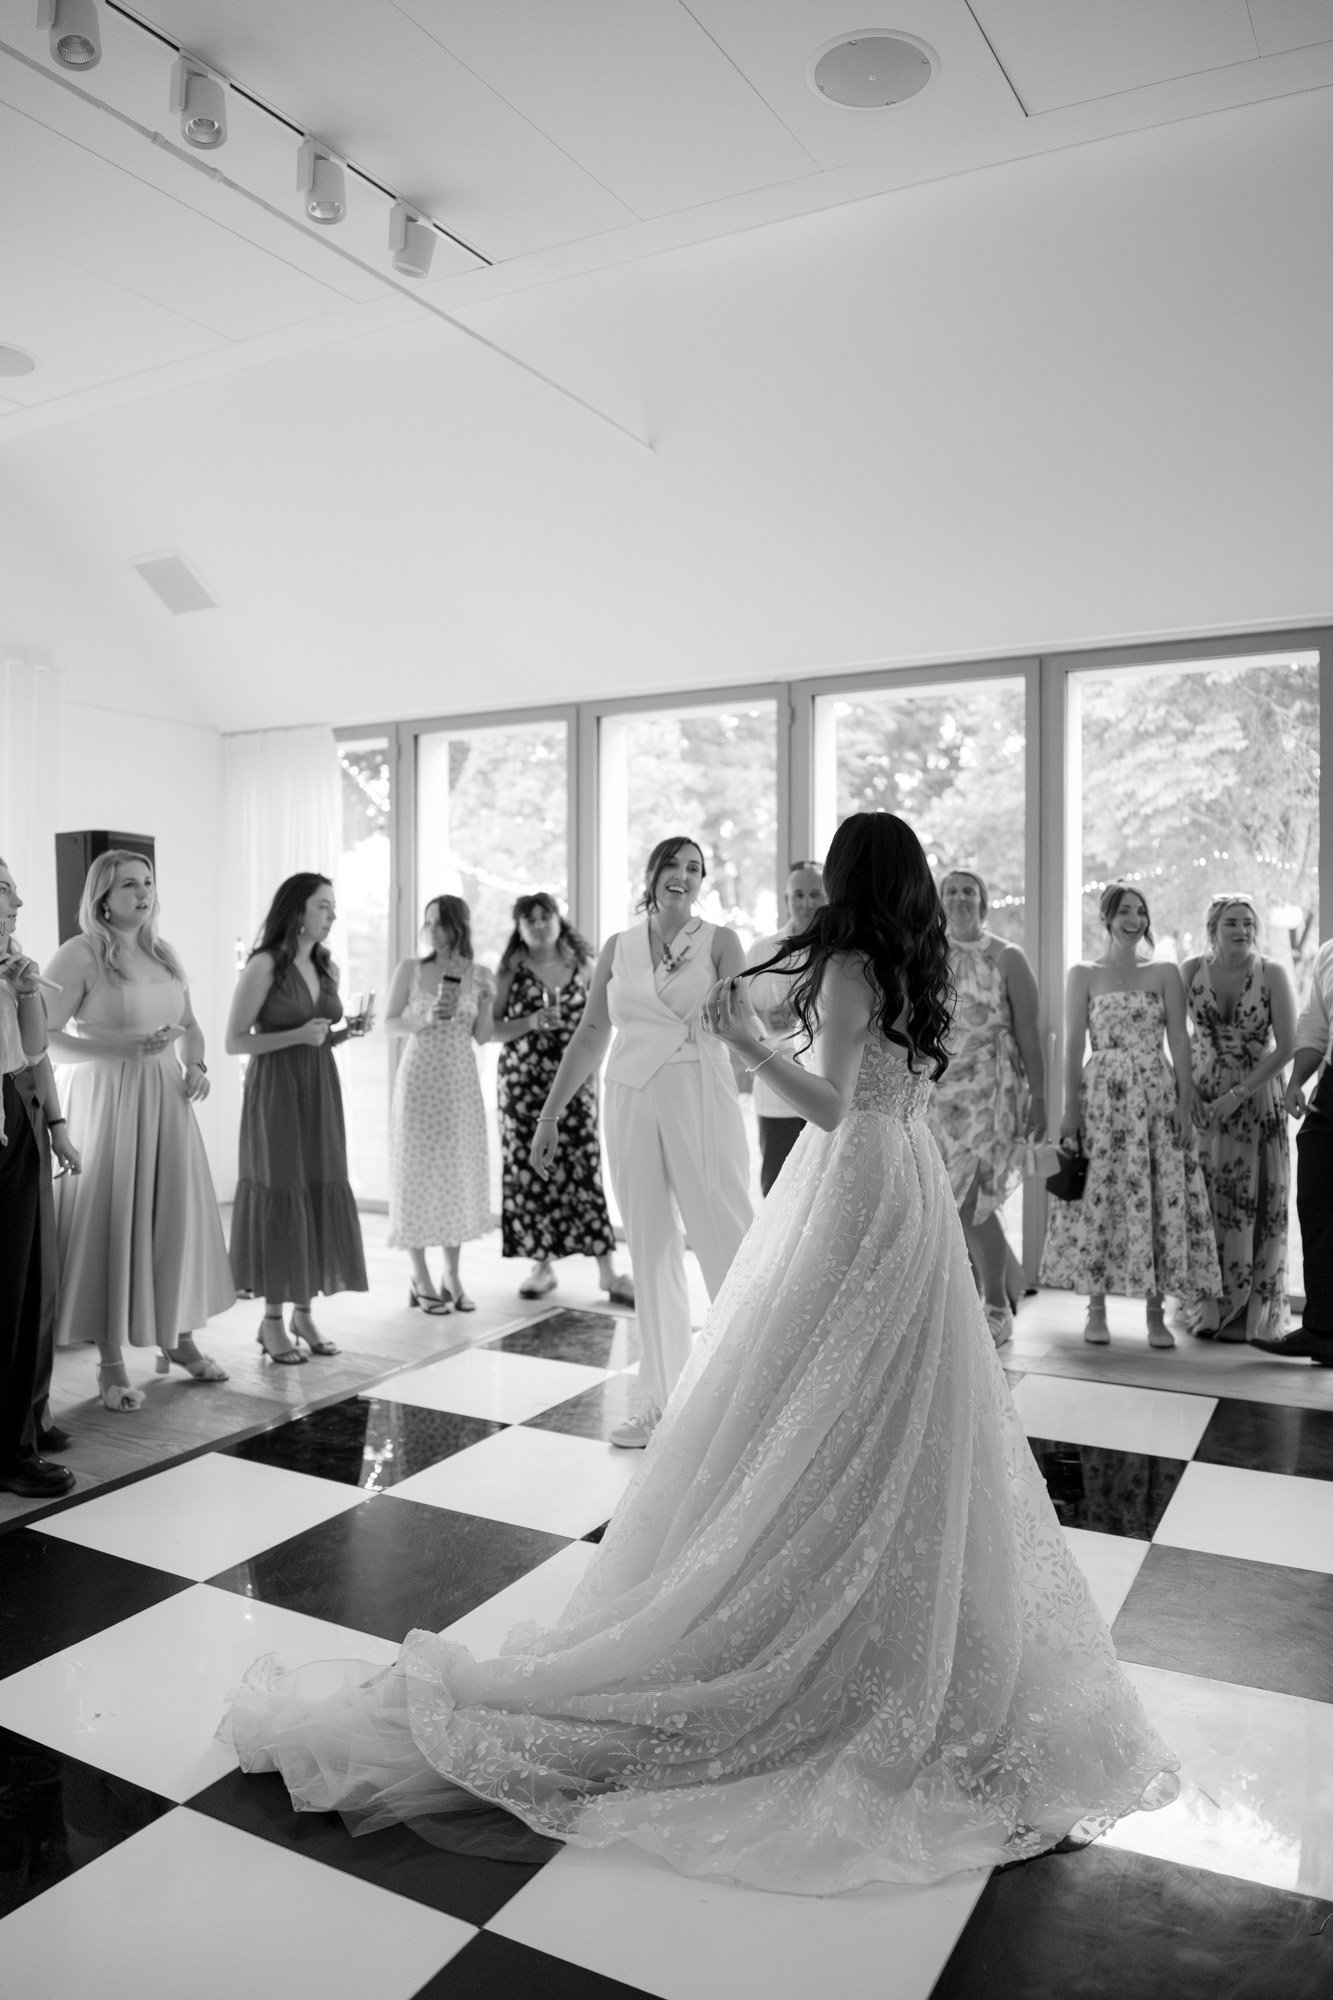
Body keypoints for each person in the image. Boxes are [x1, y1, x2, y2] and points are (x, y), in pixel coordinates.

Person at [224, 812, 1177, 1894]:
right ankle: (886, 1596)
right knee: (891, 1388)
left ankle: (818, 1593)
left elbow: (826, 1109)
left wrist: (743, 1042)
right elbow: (895, 1094)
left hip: (862, 1172)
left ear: (856, 881)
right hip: (907, 1172)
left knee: (822, 1382)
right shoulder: (922, 966)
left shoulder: (857, 968)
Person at [530, 836, 753, 1447]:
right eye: (672, 865)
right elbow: (592, 1032)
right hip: (630, 1094)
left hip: (698, 1093)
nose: (682, 875)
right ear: (651, 874)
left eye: (694, 868)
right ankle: (663, 1405)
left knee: (725, 1239)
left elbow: (747, 1026)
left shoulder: (720, 942)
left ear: (701, 882)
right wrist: (549, 1116)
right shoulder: (619, 947)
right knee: (650, 1247)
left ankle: (752, 1398)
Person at [43, 852, 234, 1409]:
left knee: (168, 1218)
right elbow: (46, 1038)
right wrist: (119, 1049)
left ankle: (177, 1340)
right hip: (110, 1101)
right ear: (102, 897)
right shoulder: (79, 954)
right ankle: (110, 1363)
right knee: (114, 1221)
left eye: (148, 883)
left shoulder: (162, 952)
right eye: (129, 885)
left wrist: (196, 1066)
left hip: (165, 1100)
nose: (143, 893)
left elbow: (192, 1026)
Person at [1042, 883, 1220, 1347]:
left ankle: (1155, 1313)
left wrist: (1184, 1102)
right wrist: (1069, 1110)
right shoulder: (1083, 972)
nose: (1134, 919)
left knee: (1157, 1191)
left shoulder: (1163, 971)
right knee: (1101, 1191)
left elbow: (1179, 1041)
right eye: (1124, 911)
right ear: (1107, 917)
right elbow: (1073, 1045)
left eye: (1141, 911)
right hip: (1102, 1093)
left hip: (1155, 1092)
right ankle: (1095, 1306)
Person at [227, 872, 368, 1362]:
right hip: (275, 1092)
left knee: (316, 1184)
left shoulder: (326, 964)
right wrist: (296, 1037)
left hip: (319, 1088)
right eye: (324, 906)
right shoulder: (265, 964)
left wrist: (346, 1032)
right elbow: (235, 1041)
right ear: (297, 911)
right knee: (282, 1188)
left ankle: (303, 1314)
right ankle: (270, 1322)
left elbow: (318, 1035)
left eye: (333, 906)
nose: (332, 915)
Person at [491, 892, 631, 1304]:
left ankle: (607, 1269)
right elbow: (492, 1030)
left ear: (558, 920)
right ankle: (541, 1265)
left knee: (584, 1165)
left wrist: (593, 1073)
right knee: (530, 1172)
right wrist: (530, 1021)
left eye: (545, 916)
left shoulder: (584, 967)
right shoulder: (509, 972)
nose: (538, 924)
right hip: (522, 1086)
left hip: (574, 1084)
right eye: (529, 919)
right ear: (519, 928)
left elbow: (600, 1026)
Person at [928, 869, 1045, 1348]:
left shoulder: (1008, 957)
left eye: (968, 890)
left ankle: (996, 1305)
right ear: (940, 902)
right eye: (951, 891)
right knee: (948, 1200)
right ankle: (987, 1290)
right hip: (940, 1091)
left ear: (984, 901)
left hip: (992, 1089)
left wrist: (1041, 1099)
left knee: (975, 1198)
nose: (959, 898)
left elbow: (1029, 1036)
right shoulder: (928, 954)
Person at [1181, 895, 1295, 1341]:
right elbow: (1181, 1037)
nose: (1242, 930)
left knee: (1257, 1199)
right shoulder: (1191, 969)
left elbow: (1284, 1047)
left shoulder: (1273, 973)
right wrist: (1187, 1091)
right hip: (1204, 1097)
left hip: (1256, 1096)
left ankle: (1254, 1313)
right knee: (1206, 1198)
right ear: (1213, 927)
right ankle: (1208, 1305)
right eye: (1232, 922)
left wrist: (1238, 1093)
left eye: (1249, 923)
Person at [0, 859, 79, 1497]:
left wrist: (26, 992)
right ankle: (10, 1447)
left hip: (17, 1112)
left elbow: (32, 1054)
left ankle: (23, 1426)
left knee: (31, 1283)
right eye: (4, 892)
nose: (18, 902)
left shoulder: (12, 965)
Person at [384, 895, 493, 1314]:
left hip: (460, 1082)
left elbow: (483, 1036)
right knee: (415, 1172)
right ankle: (420, 1275)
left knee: (456, 1174)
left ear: (457, 925)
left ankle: (452, 1273)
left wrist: (485, 1001)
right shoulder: (411, 970)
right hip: (419, 1079)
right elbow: (390, 1024)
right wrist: (424, 1020)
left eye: (440, 922)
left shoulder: (479, 974)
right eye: (427, 921)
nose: (432, 928)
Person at [1252, 933, 1333, 1365]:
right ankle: (1321, 1330)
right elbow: (1315, 1026)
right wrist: (1298, 1082)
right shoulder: (1328, 953)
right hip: (1330, 1090)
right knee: (1317, 1205)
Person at [742, 861, 827, 1196]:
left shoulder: (841, 951)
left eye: (814, 894)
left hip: (825, 1086)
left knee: (822, 1193)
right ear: (786, 898)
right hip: (776, 1088)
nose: (806, 903)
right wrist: (769, 1017)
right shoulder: (762, 950)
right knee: (777, 1191)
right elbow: (745, 1010)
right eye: (798, 895)